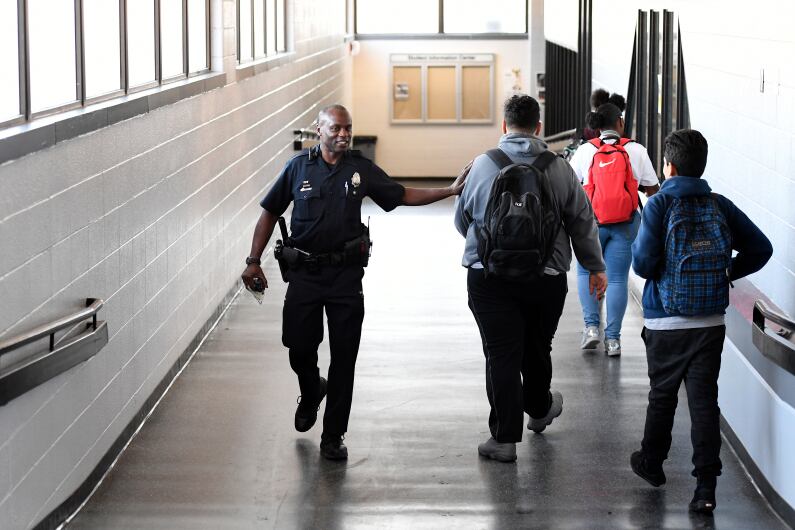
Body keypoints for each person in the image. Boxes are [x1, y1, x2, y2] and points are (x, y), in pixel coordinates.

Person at [241, 104, 468, 461]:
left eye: (348, 128)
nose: (343, 135)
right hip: (305, 275)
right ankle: (311, 388)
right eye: (336, 129)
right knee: (300, 349)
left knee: (344, 358)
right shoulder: (298, 167)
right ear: (320, 130)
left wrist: (449, 191)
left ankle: (333, 435)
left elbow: (400, 194)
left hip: (346, 277)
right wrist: (253, 261)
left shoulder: (359, 169)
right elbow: (270, 212)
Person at [454, 94, 607, 462]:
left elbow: (463, 221)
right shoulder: (558, 167)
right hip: (546, 276)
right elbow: (582, 221)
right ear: (539, 127)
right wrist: (595, 266)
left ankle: (504, 439)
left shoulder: (482, 165)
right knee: (538, 347)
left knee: (501, 354)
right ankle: (539, 408)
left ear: (504, 126)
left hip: (489, 277)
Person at [629, 129, 772, 513]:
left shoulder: (659, 205)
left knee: (662, 397)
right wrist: (728, 271)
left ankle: (652, 464)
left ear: (669, 166)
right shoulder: (720, 205)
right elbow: (763, 248)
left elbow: (641, 264)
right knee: (704, 402)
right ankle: (705, 488)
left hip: (665, 321)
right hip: (710, 321)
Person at [569, 100, 660, 356]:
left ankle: (591, 329)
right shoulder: (636, 150)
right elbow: (654, 190)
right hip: (626, 224)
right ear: (620, 122)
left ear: (597, 127)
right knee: (618, 278)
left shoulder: (585, 150)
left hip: (590, 225)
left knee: (587, 273)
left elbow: (571, 188)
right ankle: (613, 340)